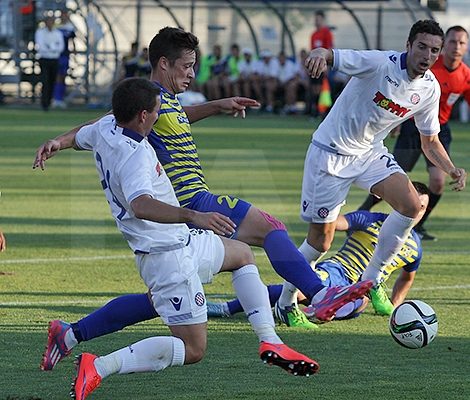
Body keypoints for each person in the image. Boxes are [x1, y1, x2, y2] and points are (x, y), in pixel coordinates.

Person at [35, 26, 371, 336]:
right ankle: (319, 294)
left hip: (178, 213)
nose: (193, 73)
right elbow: (106, 121)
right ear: (164, 64)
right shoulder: (147, 98)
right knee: (271, 228)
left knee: (159, 299)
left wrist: (217, 106)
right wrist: (60, 141)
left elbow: (174, 116)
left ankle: (72, 333)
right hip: (190, 200)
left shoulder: (162, 101)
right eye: (187, 66)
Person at [34, 78, 320, 400]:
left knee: (241, 254)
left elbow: (79, 136)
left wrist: (58, 142)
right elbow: (140, 204)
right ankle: (99, 366)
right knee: (193, 348)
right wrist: (193, 215)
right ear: (143, 115)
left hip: (181, 242)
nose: (160, 116)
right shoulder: (136, 155)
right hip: (167, 255)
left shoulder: (105, 128)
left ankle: (271, 340)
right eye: (157, 110)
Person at [298, 19, 466, 319]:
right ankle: (286, 301)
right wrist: (319, 55)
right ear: (409, 46)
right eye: (422, 47)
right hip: (330, 155)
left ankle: (372, 278)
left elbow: (430, 141)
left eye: (434, 51)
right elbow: (332, 55)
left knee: (412, 206)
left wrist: (451, 169)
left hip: (369, 154)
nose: (427, 55)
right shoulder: (379, 63)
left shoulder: (429, 88)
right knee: (319, 242)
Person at [210, 181, 431, 323]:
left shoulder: (415, 247)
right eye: (414, 205)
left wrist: (396, 307)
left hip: (359, 291)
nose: (417, 212)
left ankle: (305, 311)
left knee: (359, 303)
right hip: (337, 271)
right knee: (302, 291)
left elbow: (407, 277)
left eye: (422, 208)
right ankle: (226, 309)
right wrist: (327, 214)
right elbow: (338, 223)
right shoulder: (372, 220)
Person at [357, 25, 470, 241]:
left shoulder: (467, 77)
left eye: (461, 43)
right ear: (445, 46)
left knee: (437, 182)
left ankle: (418, 226)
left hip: (438, 131)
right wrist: (395, 119)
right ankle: (361, 214)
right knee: (389, 178)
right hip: (410, 126)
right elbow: (402, 91)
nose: (456, 47)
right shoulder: (428, 66)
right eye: (452, 41)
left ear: (467, 48)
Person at [34, 15, 64, 111]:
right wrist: (53, 48)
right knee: (45, 81)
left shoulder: (57, 33)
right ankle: (44, 103)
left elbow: (61, 46)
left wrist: (51, 48)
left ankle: (49, 101)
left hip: (54, 59)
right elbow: (41, 46)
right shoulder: (40, 33)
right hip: (44, 59)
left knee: (52, 81)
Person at [309, 10, 334, 118]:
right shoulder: (314, 34)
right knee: (314, 88)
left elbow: (330, 49)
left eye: (318, 19)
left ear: (322, 20)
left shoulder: (327, 33)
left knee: (322, 88)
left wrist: (327, 65)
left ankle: (323, 111)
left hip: (323, 65)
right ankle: (314, 110)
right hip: (314, 64)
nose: (316, 21)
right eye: (315, 19)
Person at [52, 8, 75, 109]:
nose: (64, 16)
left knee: (63, 76)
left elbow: (72, 40)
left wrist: (74, 50)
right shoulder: (56, 27)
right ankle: (55, 98)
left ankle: (60, 99)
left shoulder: (70, 27)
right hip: (57, 54)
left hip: (66, 54)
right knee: (57, 76)